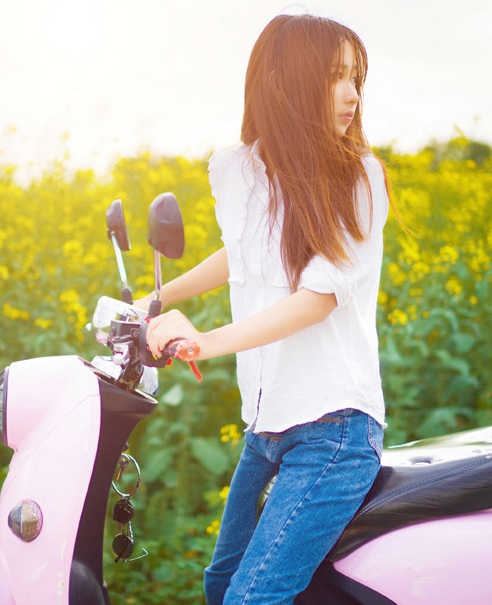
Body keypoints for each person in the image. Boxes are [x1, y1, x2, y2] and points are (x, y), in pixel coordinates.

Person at [140, 13, 391, 605]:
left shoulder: (358, 178)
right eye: (336, 77)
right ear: (285, 81)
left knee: (251, 598)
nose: (353, 95)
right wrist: (157, 297)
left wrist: (204, 340)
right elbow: (242, 252)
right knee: (221, 585)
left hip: (335, 431)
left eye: (357, 78)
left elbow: (318, 299)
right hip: (265, 426)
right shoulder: (239, 169)